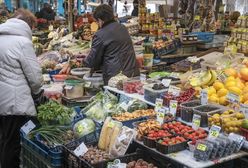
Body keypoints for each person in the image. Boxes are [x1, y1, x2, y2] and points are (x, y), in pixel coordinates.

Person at [0, 9, 43, 168]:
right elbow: (35, 76)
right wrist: (38, 93)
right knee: (13, 144)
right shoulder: (22, 42)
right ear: (28, 25)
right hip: (15, 103)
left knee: (4, 140)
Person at [61, 4, 140, 84]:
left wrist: (76, 62)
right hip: (132, 73)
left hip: (116, 78)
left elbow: (92, 62)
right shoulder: (122, 27)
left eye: (97, 22)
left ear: (100, 20)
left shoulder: (100, 34)